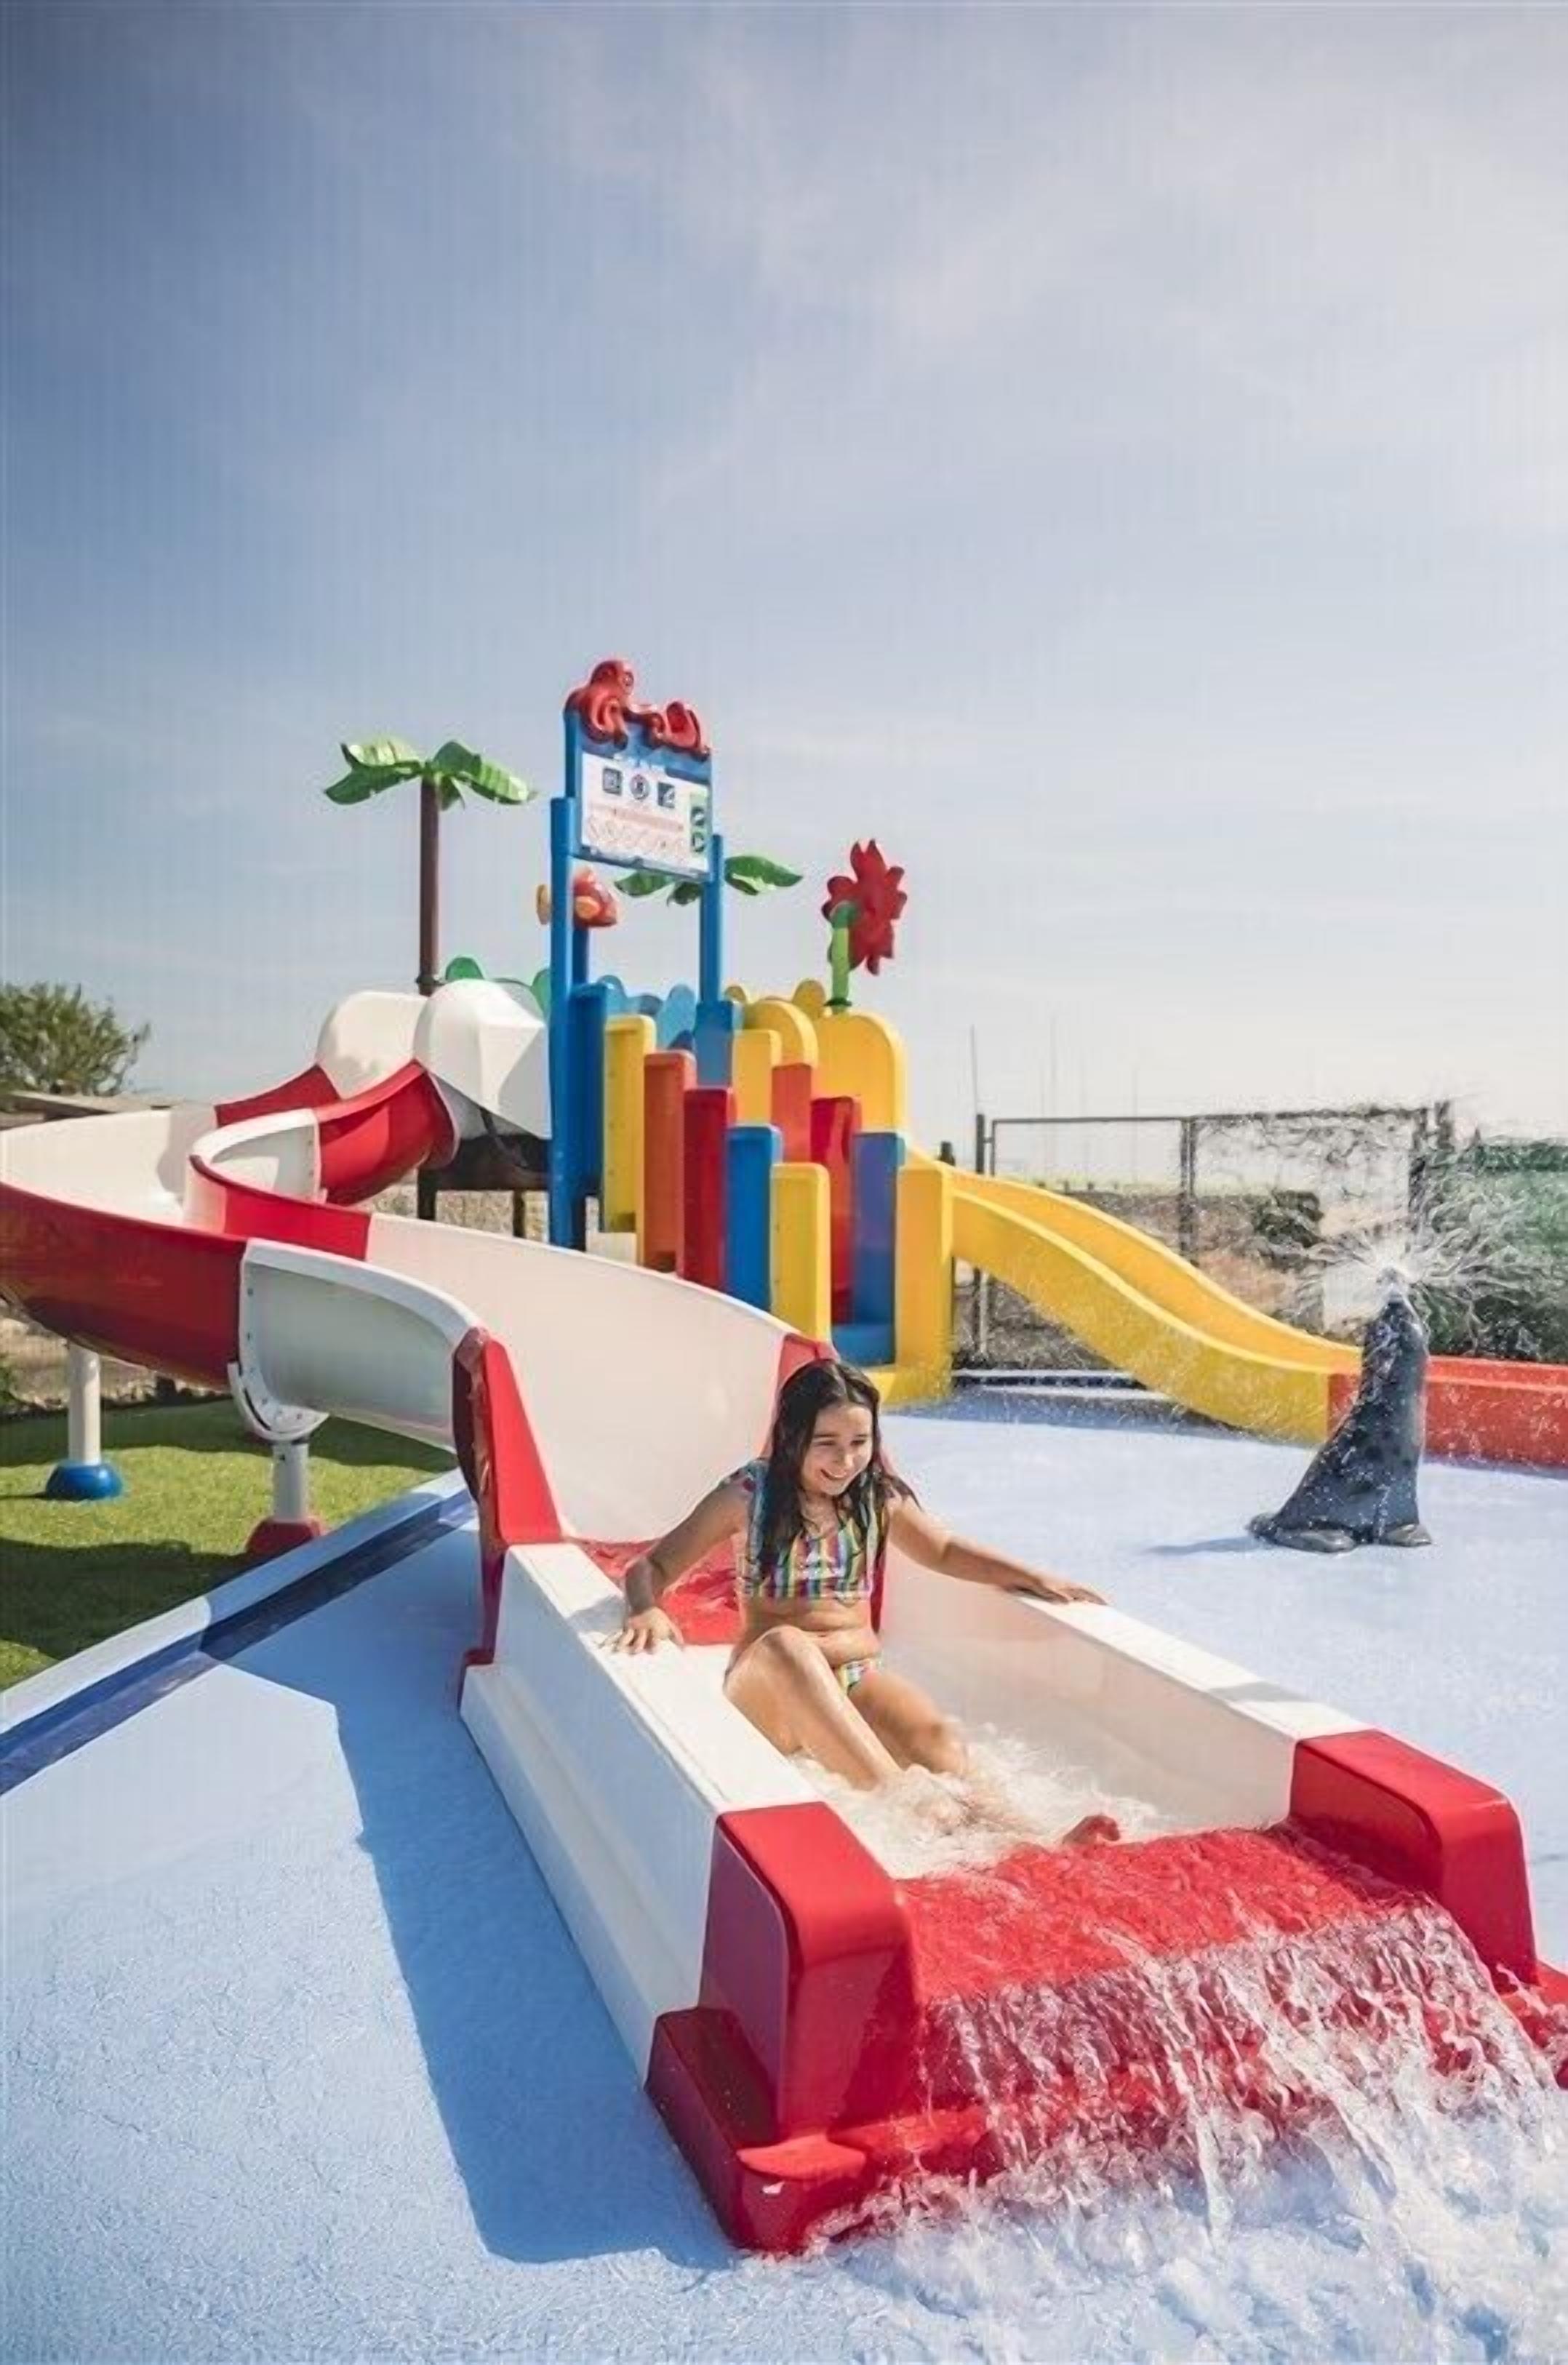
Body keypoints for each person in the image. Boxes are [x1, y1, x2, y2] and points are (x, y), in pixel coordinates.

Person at [611, 1358, 1119, 1845]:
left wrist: (1031, 1575)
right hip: (772, 1688)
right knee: (787, 1644)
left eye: (860, 1442)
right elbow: (651, 1567)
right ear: (792, 1439)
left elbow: (941, 1549)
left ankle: (1033, 1840)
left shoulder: (875, 1495)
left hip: (855, 1677)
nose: (846, 1459)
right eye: (827, 1443)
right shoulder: (749, 1493)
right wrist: (644, 1606)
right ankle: (915, 1806)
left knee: (939, 1742)